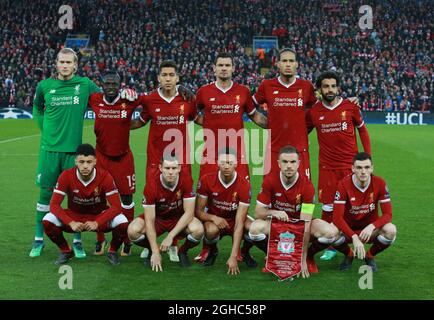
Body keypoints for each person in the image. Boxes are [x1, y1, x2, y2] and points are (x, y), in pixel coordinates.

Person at [31, 48, 136, 259]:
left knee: (76, 200)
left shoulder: (85, 84)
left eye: (69, 62)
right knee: (44, 195)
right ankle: (38, 239)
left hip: (74, 152)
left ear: (75, 65)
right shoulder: (45, 86)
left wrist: (127, 93)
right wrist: (46, 130)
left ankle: (77, 242)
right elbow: (37, 108)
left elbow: (106, 97)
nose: (65, 65)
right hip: (49, 150)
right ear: (56, 63)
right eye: (61, 62)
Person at [194, 52, 267, 263]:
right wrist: (208, 125)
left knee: (241, 199)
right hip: (209, 154)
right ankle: (209, 247)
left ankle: (244, 249)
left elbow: (255, 116)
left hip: (238, 155)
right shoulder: (204, 92)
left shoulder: (243, 91)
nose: (224, 68)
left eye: (227, 65)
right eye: (220, 65)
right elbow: (195, 114)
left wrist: (276, 123)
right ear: (214, 69)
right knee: (206, 200)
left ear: (233, 68)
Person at [305, 71, 371, 261]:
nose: (330, 89)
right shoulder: (314, 112)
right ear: (319, 89)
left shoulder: (351, 107)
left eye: (333, 86)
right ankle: (331, 244)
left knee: (352, 207)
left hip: (350, 167)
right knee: (328, 206)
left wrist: (366, 158)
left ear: (338, 87)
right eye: (326, 86)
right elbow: (302, 132)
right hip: (327, 168)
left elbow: (363, 131)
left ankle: (353, 243)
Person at [248, 145, 339, 277]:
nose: (289, 166)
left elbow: (306, 224)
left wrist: (302, 259)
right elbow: (258, 212)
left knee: (331, 233)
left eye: (293, 162)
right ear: (278, 163)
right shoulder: (270, 180)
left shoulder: (307, 186)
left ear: (298, 164)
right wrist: (273, 212)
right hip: (277, 225)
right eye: (285, 162)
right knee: (254, 229)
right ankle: (273, 255)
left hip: (300, 224)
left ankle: (309, 257)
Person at [42, 144, 129, 266]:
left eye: (89, 162)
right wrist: (70, 222)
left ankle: (112, 251)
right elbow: (54, 205)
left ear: (95, 162)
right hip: (74, 217)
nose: (85, 166)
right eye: (81, 162)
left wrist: (97, 222)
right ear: (76, 161)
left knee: (122, 221)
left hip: (97, 217)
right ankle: (66, 251)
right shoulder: (66, 176)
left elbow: (116, 207)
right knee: (47, 220)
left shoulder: (105, 177)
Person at [88, 72, 141, 256]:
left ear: (120, 85)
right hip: (101, 158)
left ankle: (126, 238)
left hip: (123, 159)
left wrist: (180, 89)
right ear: (101, 84)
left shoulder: (129, 100)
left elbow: (152, 101)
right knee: (99, 199)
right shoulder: (94, 99)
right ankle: (100, 239)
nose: (111, 86)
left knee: (126, 199)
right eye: (107, 83)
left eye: (114, 84)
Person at [127, 153, 204, 271]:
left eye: (174, 168)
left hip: (178, 218)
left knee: (198, 229)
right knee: (132, 230)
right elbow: (149, 219)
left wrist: (170, 237)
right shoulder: (151, 185)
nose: (171, 172)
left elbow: (189, 213)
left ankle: (183, 252)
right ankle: (152, 250)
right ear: (160, 168)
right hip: (158, 219)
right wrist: (155, 252)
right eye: (167, 168)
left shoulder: (186, 179)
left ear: (179, 168)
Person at [252, 48, 318, 178]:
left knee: (303, 195)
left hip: (300, 151)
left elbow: (318, 111)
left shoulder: (306, 86)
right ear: (278, 64)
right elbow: (248, 106)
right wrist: (264, 122)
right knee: (271, 194)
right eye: (284, 61)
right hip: (274, 150)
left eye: (291, 61)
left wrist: (305, 129)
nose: (288, 64)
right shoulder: (267, 86)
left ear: (297, 64)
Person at [131, 60, 197, 182]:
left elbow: (197, 118)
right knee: (153, 196)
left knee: (184, 197)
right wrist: (117, 123)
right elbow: (140, 122)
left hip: (181, 160)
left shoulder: (187, 99)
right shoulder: (149, 99)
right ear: (158, 78)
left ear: (177, 78)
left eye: (171, 75)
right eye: (164, 75)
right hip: (156, 161)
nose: (168, 79)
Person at [195, 148, 256, 275]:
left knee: (252, 228)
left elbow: (239, 221)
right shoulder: (206, 179)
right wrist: (213, 218)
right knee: (210, 230)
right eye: (223, 163)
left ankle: (244, 252)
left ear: (236, 164)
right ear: (217, 163)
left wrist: (233, 256)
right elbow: (198, 212)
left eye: (229, 163)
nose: (226, 166)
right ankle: (212, 250)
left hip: (235, 219)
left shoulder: (245, 185)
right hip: (216, 219)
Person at [332, 152, 397, 272]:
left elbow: (388, 214)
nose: (363, 171)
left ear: (372, 168)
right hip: (348, 230)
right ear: (353, 168)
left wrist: (371, 226)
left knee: (391, 230)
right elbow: (337, 218)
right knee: (330, 232)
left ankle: (370, 256)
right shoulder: (343, 184)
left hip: (370, 231)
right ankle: (349, 254)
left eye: (367, 167)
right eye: (359, 167)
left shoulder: (380, 183)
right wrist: (354, 237)